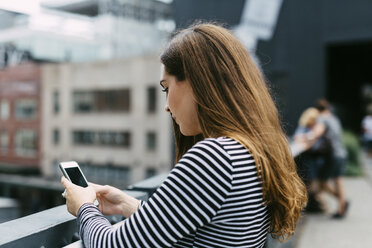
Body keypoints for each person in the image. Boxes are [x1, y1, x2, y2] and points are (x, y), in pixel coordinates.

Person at [61, 22, 307, 247]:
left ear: (196, 82)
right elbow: (211, 228)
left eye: (166, 87)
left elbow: (111, 245)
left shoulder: (215, 157)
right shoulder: (251, 152)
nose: (166, 106)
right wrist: (130, 205)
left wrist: (84, 206)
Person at [313, 99, 349, 218]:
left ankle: (342, 203)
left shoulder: (322, 118)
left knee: (322, 182)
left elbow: (317, 133)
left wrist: (305, 137)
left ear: (318, 110)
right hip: (341, 153)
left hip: (332, 155)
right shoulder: (334, 118)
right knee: (338, 180)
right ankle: (341, 207)